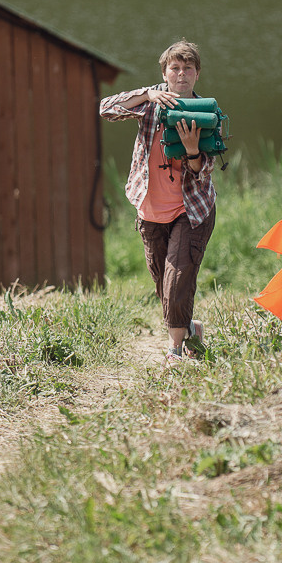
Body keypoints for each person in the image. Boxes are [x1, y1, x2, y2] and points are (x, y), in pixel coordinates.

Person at [100, 40, 216, 364]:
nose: (181, 74)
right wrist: (147, 94)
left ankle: (175, 352)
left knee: (177, 279)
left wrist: (193, 150)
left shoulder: (206, 111)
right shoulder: (150, 103)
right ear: (164, 73)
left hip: (190, 210)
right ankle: (191, 328)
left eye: (188, 68)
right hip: (150, 209)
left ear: (197, 74)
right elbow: (106, 108)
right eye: (175, 68)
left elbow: (203, 170)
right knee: (164, 288)